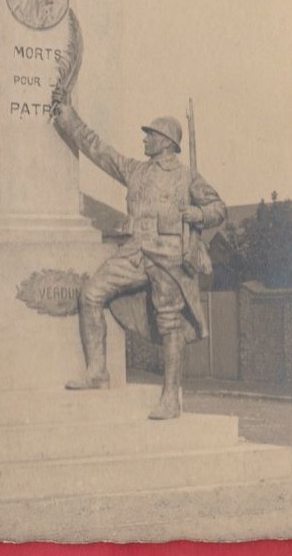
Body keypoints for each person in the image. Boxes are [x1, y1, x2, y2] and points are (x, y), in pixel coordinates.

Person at [52, 95, 226, 419]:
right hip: (134, 253)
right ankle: (97, 372)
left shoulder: (187, 176)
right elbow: (100, 151)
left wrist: (197, 213)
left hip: (168, 259)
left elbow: (218, 209)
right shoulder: (135, 170)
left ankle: (170, 398)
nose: (144, 139)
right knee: (90, 294)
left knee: (169, 324)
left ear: (166, 142)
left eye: (150, 135)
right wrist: (68, 119)